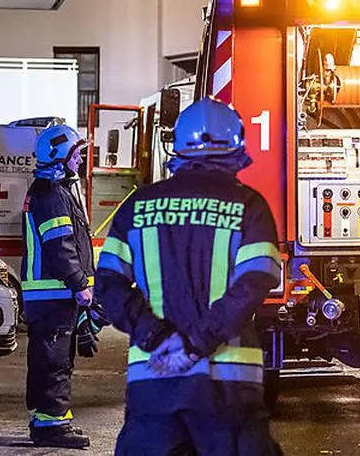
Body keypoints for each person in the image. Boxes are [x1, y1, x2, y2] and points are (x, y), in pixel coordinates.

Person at [95, 97, 283, 455]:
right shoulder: (250, 206)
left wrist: (157, 337)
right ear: (236, 145)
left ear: (177, 147)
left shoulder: (137, 206)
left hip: (156, 376)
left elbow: (108, 283)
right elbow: (255, 282)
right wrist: (195, 343)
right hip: (228, 383)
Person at [22, 123, 95, 449]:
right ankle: (51, 427)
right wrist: (79, 283)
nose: (80, 160)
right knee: (54, 360)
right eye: (77, 154)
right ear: (59, 156)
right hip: (52, 294)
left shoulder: (54, 190)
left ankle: (50, 420)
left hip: (51, 295)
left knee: (51, 358)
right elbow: (60, 245)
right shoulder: (50, 195)